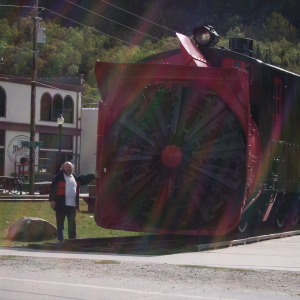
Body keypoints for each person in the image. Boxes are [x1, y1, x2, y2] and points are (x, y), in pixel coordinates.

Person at [49, 161, 99, 243]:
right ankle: (60, 239)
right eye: (67, 167)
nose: (68, 169)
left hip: (72, 205)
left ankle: (72, 239)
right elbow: (52, 189)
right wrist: (52, 200)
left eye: (70, 167)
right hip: (61, 204)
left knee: (72, 223)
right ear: (63, 168)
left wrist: (94, 176)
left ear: (72, 168)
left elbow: (85, 179)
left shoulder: (76, 177)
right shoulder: (58, 177)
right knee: (60, 222)